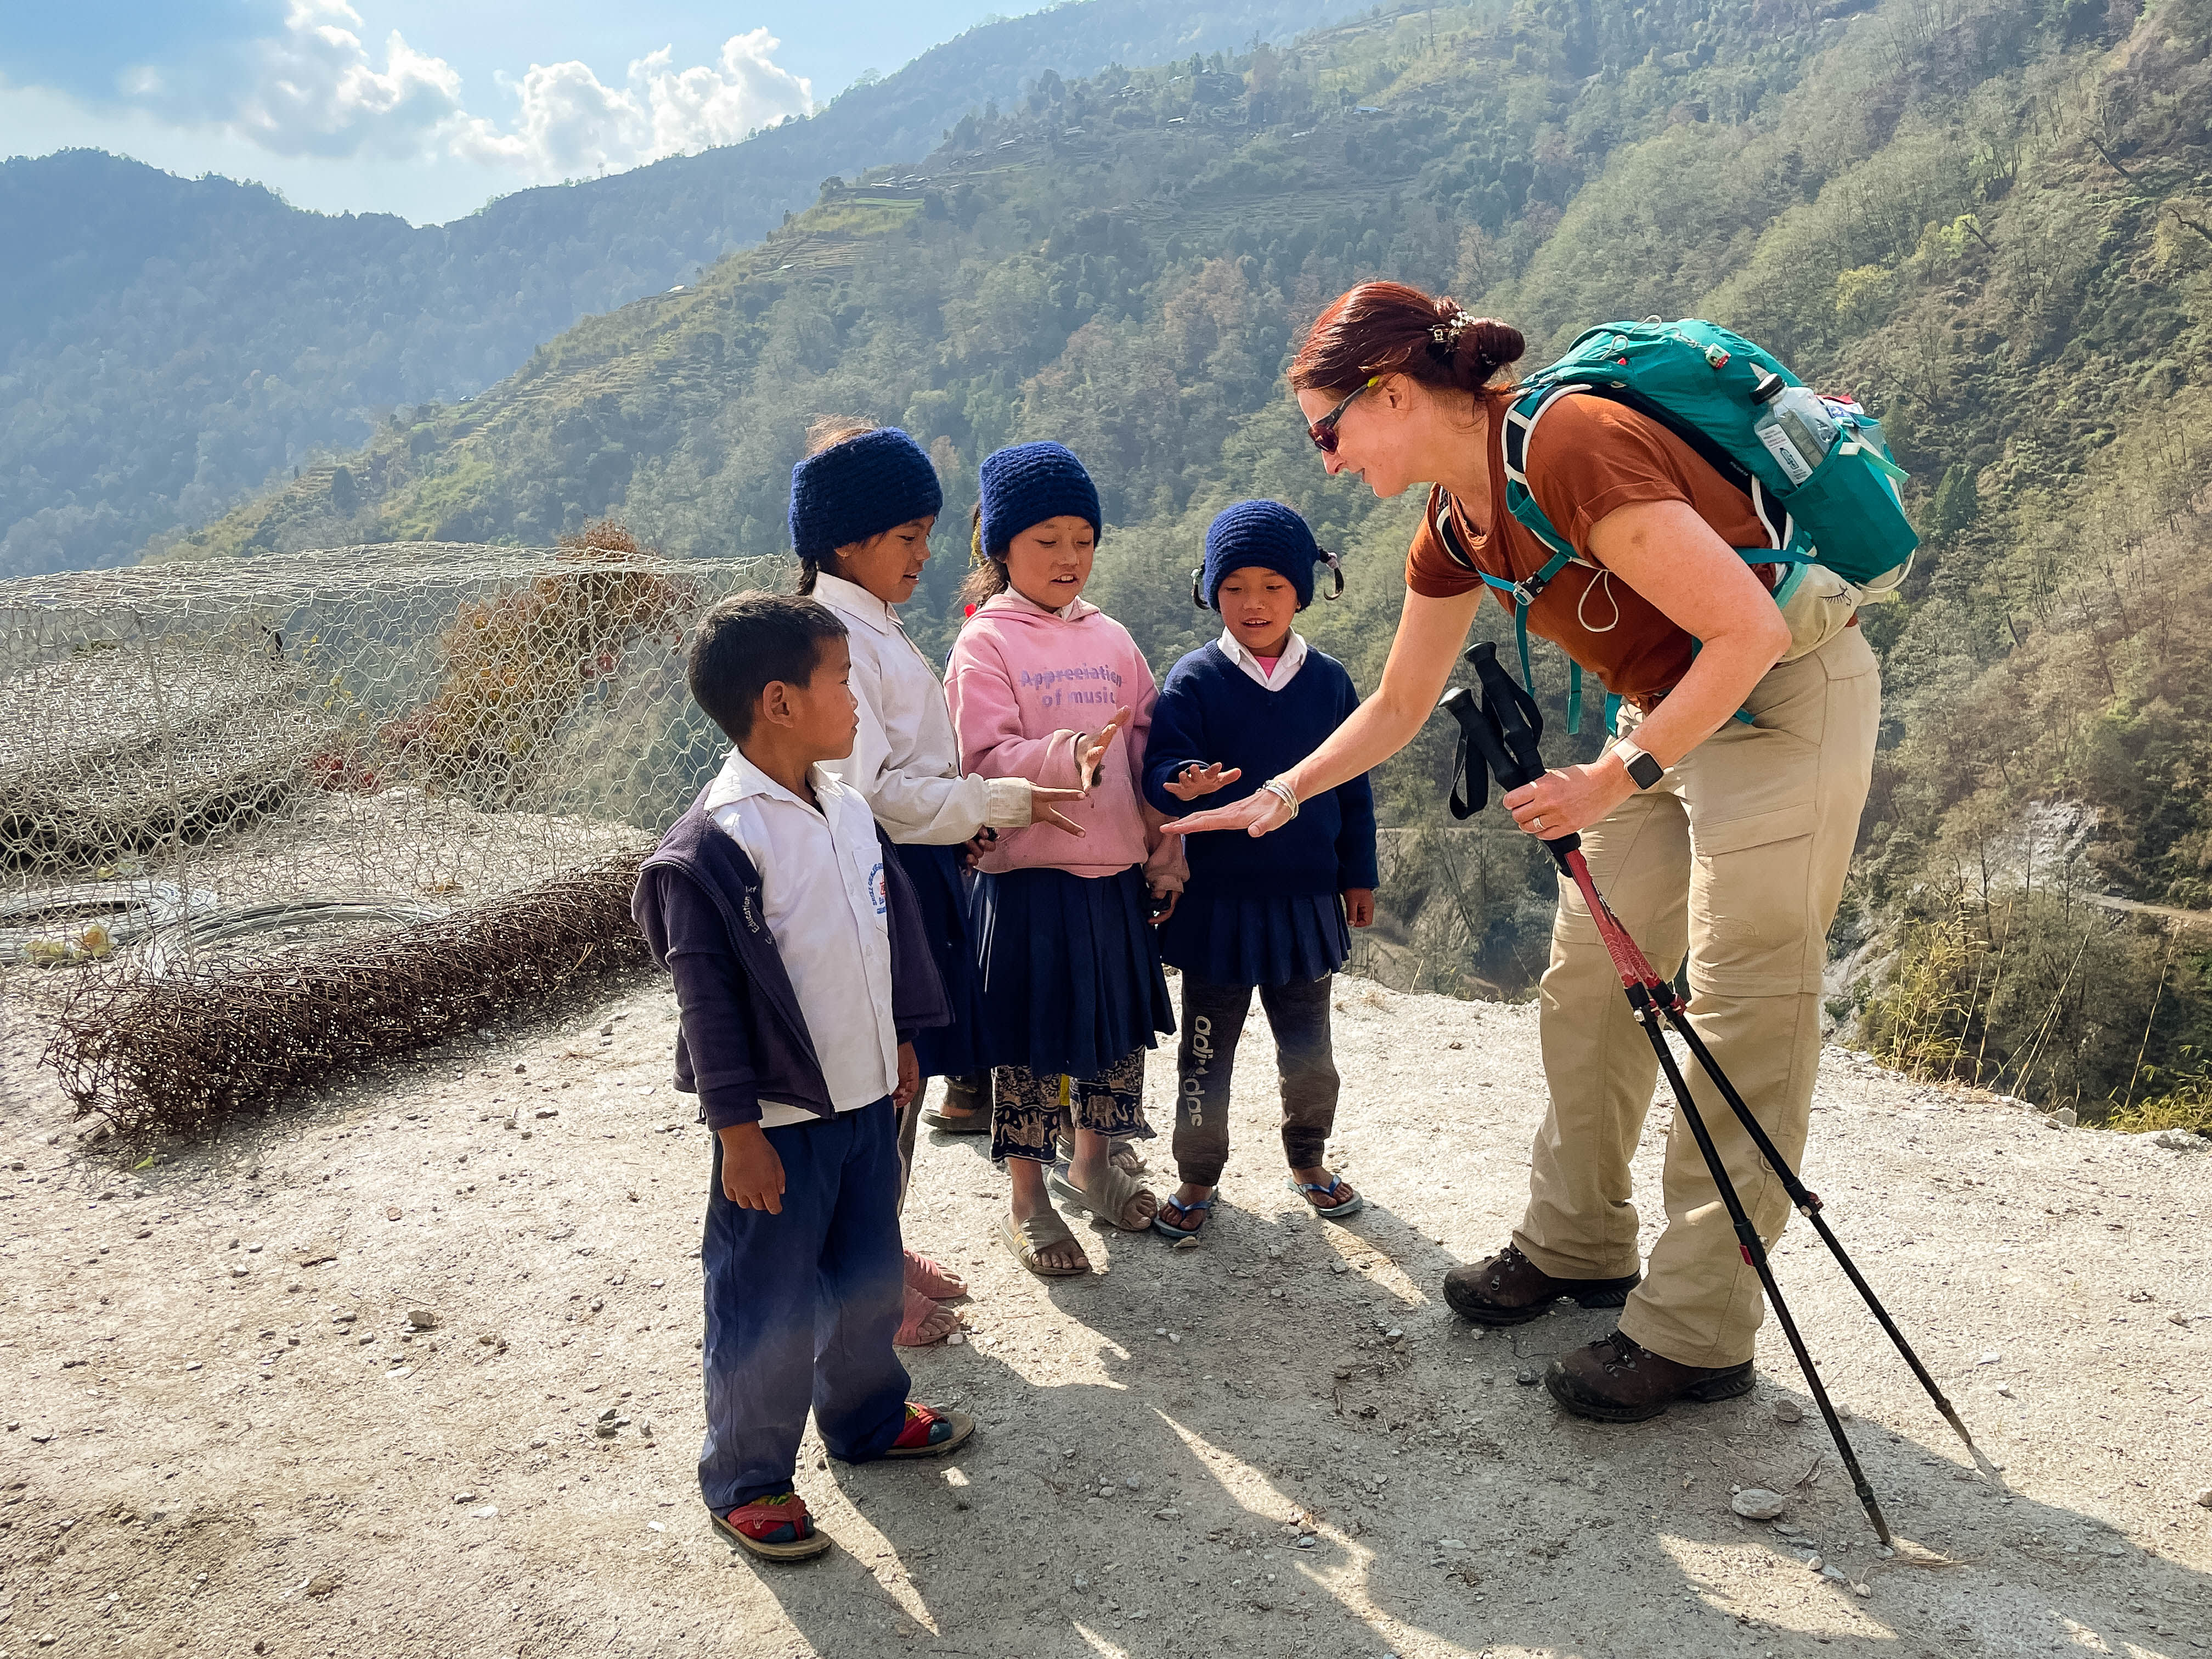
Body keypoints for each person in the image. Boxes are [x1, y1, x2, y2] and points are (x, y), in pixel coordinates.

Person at [1169, 281, 1880, 1423]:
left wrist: (1613, 776)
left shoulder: (1574, 449)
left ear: (1393, 394)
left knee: (1748, 1003)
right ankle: (1581, 1241)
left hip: (1783, 696)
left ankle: (1698, 1329)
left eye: (1328, 429)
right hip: (1654, 714)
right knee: (1589, 984)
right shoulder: (1454, 522)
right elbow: (1400, 704)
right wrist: (1282, 793)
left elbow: (1745, 633)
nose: (1329, 461)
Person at [631, 591, 974, 1562]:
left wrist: (904, 1037)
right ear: (779, 701)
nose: (857, 698)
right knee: (764, 1301)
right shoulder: (718, 846)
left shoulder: (849, 807)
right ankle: (748, 1478)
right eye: (841, 680)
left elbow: (885, 932)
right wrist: (737, 1134)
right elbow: (708, 1006)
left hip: (867, 1104)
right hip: (779, 1124)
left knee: (866, 1277)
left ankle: (866, 1421)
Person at [786, 418, 1088, 1345]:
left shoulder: (871, 625)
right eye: (909, 537)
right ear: (849, 542)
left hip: (911, 869)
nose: (926, 555)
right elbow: (876, 792)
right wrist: (1001, 802)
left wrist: (967, 814)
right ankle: (863, 1284)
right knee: (887, 1077)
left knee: (903, 1077)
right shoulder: (841, 637)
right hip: (880, 881)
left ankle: (883, 1242)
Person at [944, 441, 1181, 1277]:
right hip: (1028, 883)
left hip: (1112, 875)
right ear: (1001, 546)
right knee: (1031, 1045)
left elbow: (1155, 746)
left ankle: (1091, 1162)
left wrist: (1170, 832)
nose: (1069, 558)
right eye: (1047, 540)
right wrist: (1068, 753)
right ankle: (1027, 1197)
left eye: (1083, 539)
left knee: (1112, 1035)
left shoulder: (1114, 639)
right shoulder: (986, 645)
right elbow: (980, 757)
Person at [1141, 500, 1378, 1240]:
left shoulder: (1331, 683)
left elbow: (1354, 784)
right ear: (1211, 591)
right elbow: (1160, 766)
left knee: (1310, 1056)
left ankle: (1308, 1161)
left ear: (1303, 591)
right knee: (1206, 1054)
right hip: (1219, 904)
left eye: (1273, 586)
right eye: (1236, 586)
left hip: (1307, 903)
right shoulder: (1196, 679)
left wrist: (1357, 874)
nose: (1255, 603)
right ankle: (1195, 1176)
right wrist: (1186, 780)